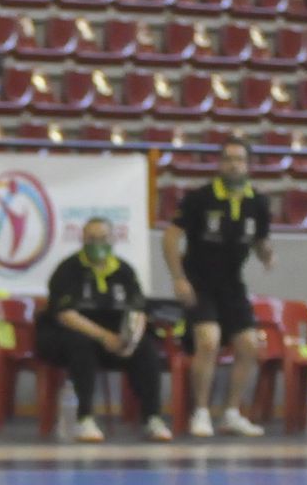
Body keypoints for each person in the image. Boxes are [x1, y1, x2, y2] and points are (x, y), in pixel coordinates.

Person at [162, 137, 270, 437]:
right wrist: (178, 278)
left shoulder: (258, 202)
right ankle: (200, 412)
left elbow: (260, 240)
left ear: (248, 165)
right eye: (228, 159)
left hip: (232, 284)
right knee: (209, 340)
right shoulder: (200, 198)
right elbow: (170, 237)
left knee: (249, 344)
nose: (234, 165)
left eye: (239, 159)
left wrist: (267, 255)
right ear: (220, 164)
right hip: (199, 282)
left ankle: (231, 413)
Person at [39, 217, 172, 443]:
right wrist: (104, 337)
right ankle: (84, 418)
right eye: (91, 238)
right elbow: (65, 314)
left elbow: (138, 311)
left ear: (113, 239)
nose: (97, 243)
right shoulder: (68, 269)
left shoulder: (124, 271)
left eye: (102, 238)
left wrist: (130, 340)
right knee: (80, 346)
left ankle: (152, 418)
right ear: (82, 239)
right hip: (76, 337)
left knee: (146, 349)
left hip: (116, 339)